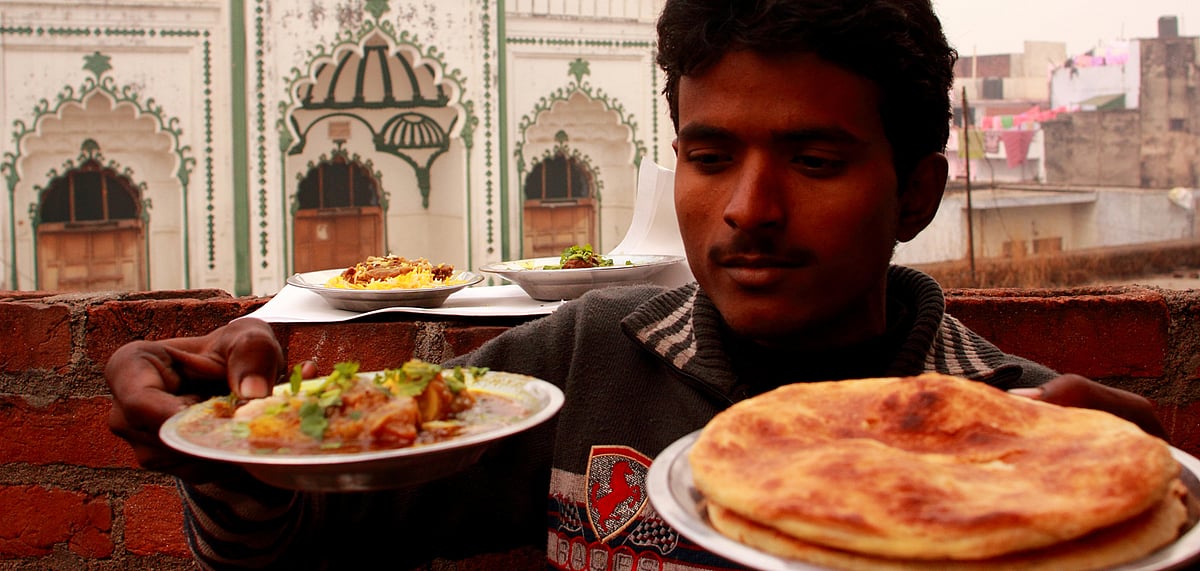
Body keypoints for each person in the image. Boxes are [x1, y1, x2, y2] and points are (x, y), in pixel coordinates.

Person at [105, 1, 1167, 569]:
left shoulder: (1028, 439)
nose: (749, 207)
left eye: (814, 160)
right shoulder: (576, 363)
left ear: (916, 195)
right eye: (709, 157)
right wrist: (236, 440)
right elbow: (300, 543)